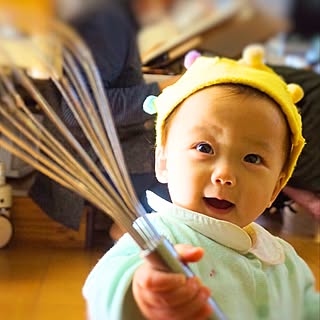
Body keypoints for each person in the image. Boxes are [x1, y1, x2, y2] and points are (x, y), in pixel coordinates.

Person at [82, 45, 320, 319]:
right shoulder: (156, 242)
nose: (225, 175)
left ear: (276, 189)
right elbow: (105, 289)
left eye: (252, 158)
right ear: (163, 163)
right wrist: (143, 293)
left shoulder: (285, 260)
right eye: (204, 148)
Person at [29, 0, 179, 239]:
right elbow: (79, 111)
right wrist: (164, 89)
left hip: (103, 143)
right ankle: (130, 230)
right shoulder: (107, 21)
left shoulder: (112, 16)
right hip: (90, 151)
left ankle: (130, 229)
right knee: (183, 159)